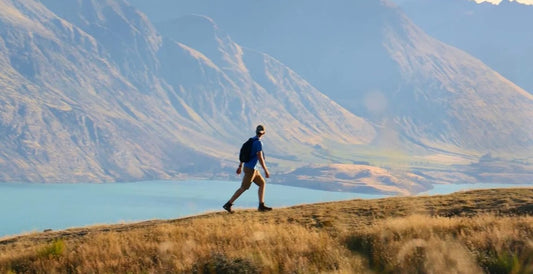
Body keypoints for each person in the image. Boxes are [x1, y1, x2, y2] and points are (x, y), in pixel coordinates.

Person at [223, 125, 272, 213]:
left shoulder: (251, 140)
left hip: (251, 168)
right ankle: (228, 204)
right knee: (244, 187)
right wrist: (266, 170)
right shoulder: (258, 143)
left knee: (262, 183)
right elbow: (260, 157)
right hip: (251, 169)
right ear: (263, 133)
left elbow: (244, 154)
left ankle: (261, 205)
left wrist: (240, 166)